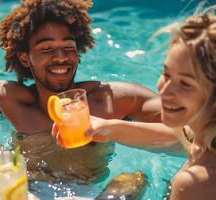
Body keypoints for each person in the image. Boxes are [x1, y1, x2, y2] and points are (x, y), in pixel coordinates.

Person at [0, 0, 176, 183]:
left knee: (134, 180)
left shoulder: (114, 99)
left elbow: (193, 129)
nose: (60, 57)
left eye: (68, 47)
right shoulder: (9, 99)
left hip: (91, 190)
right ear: (25, 58)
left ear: (78, 53)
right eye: (47, 49)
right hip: (28, 189)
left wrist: (113, 129)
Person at [85, 12, 216, 199]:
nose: (165, 91)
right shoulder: (206, 136)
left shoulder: (194, 184)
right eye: (167, 74)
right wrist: (111, 129)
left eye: (185, 84)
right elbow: (183, 139)